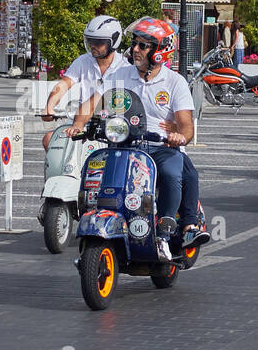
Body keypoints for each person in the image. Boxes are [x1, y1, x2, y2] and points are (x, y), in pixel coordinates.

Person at [71, 18, 208, 253]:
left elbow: (186, 125)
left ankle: (166, 227)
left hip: (161, 146)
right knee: (95, 169)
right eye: (135, 43)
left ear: (159, 51)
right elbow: (93, 101)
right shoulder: (121, 75)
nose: (135, 49)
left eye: (143, 46)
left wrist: (179, 137)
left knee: (172, 173)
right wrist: (77, 125)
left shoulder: (175, 82)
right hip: (124, 143)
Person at [41, 14, 128, 149]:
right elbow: (63, 85)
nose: (93, 45)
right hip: (81, 120)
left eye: (99, 42)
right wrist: (49, 106)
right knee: (49, 139)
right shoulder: (83, 61)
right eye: (90, 41)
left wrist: (78, 124)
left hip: (112, 125)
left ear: (114, 41)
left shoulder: (125, 67)